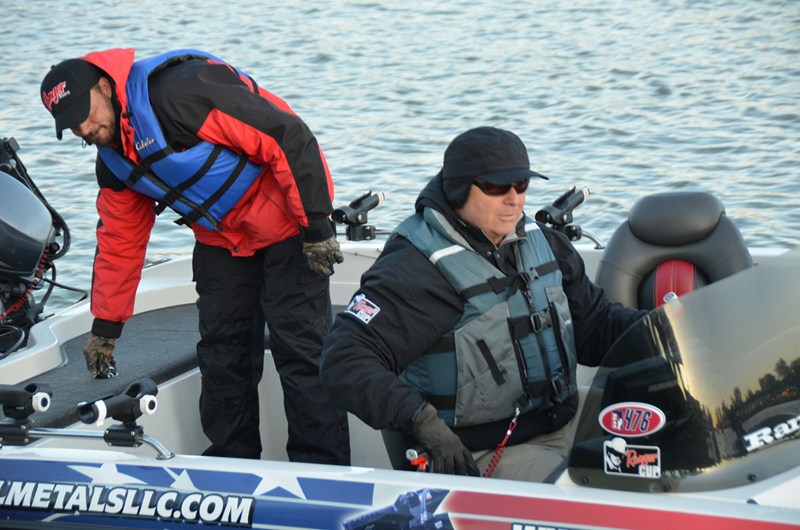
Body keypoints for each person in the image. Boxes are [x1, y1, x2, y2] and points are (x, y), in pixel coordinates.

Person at [39, 48, 350, 465]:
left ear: (105, 88)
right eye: (71, 123)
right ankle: (230, 466)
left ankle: (322, 469)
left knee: (301, 351)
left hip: (290, 226)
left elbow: (288, 136)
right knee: (222, 356)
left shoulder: (182, 92)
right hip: (223, 240)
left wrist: (316, 227)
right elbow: (119, 241)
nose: (84, 127)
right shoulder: (113, 162)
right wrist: (106, 328)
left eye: (85, 112)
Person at [320, 126, 646, 480]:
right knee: (611, 486)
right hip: (486, 450)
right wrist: (424, 422)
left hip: (563, 419)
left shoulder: (546, 244)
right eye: (496, 187)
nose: (513, 199)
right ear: (459, 188)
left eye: (521, 184)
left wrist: (663, 329)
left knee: (668, 423)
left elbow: (596, 326)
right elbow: (344, 359)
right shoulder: (416, 269)